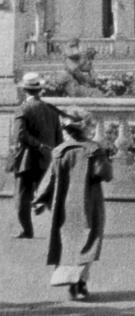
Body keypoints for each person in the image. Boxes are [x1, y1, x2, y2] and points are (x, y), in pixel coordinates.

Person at [33, 107, 113, 302]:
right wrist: (107, 157)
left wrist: (39, 200)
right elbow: (105, 174)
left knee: (69, 242)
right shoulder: (94, 149)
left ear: (66, 130)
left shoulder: (59, 151)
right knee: (88, 240)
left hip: (65, 203)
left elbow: (50, 179)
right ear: (85, 127)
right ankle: (80, 283)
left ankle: (71, 281)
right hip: (89, 202)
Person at [10, 72, 62, 239]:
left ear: (24, 90)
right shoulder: (52, 111)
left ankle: (27, 230)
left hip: (26, 159)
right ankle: (61, 229)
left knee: (23, 197)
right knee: (51, 196)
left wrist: (38, 145)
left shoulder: (23, 109)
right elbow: (59, 138)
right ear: (39, 90)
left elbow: (20, 134)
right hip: (47, 159)